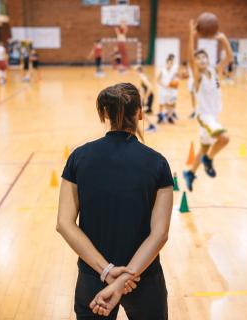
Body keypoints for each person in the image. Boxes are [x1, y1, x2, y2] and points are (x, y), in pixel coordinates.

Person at [56, 82, 173, 319]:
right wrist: (125, 279)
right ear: (140, 112)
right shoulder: (158, 163)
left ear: (105, 114)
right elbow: (159, 234)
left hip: (94, 278)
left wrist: (108, 272)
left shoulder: (79, 157)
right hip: (143, 278)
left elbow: (64, 224)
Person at [183, 20, 232, 192]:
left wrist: (223, 39)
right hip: (204, 117)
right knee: (224, 138)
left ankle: (190, 173)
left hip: (213, 117)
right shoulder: (197, 77)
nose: (201, 59)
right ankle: (209, 160)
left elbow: (229, 58)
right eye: (198, 58)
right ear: (195, 63)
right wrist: (192, 34)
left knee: (203, 147)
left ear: (208, 59)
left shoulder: (215, 71)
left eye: (204, 57)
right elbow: (189, 57)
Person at [157, 54, 179, 124]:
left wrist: (174, 84)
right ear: (166, 63)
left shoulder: (174, 71)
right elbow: (158, 80)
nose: (170, 64)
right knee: (161, 104)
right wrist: (164, 85)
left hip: (171, 90)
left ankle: (169, 117)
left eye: (171, 63)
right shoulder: (162, 70)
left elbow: (177, 79)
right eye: (168, 63)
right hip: (163, 90)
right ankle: (160, 117)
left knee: (171, 104)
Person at [136, 66, 156, 133]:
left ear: (138, 71)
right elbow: (142, 89)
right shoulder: (142, 77)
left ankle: (152, 126)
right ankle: (151, 125)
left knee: (143, 112)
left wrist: (146, 98)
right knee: (143, 112)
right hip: (148, 96)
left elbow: (150, 87)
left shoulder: (142, 77)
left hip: (148, 97)